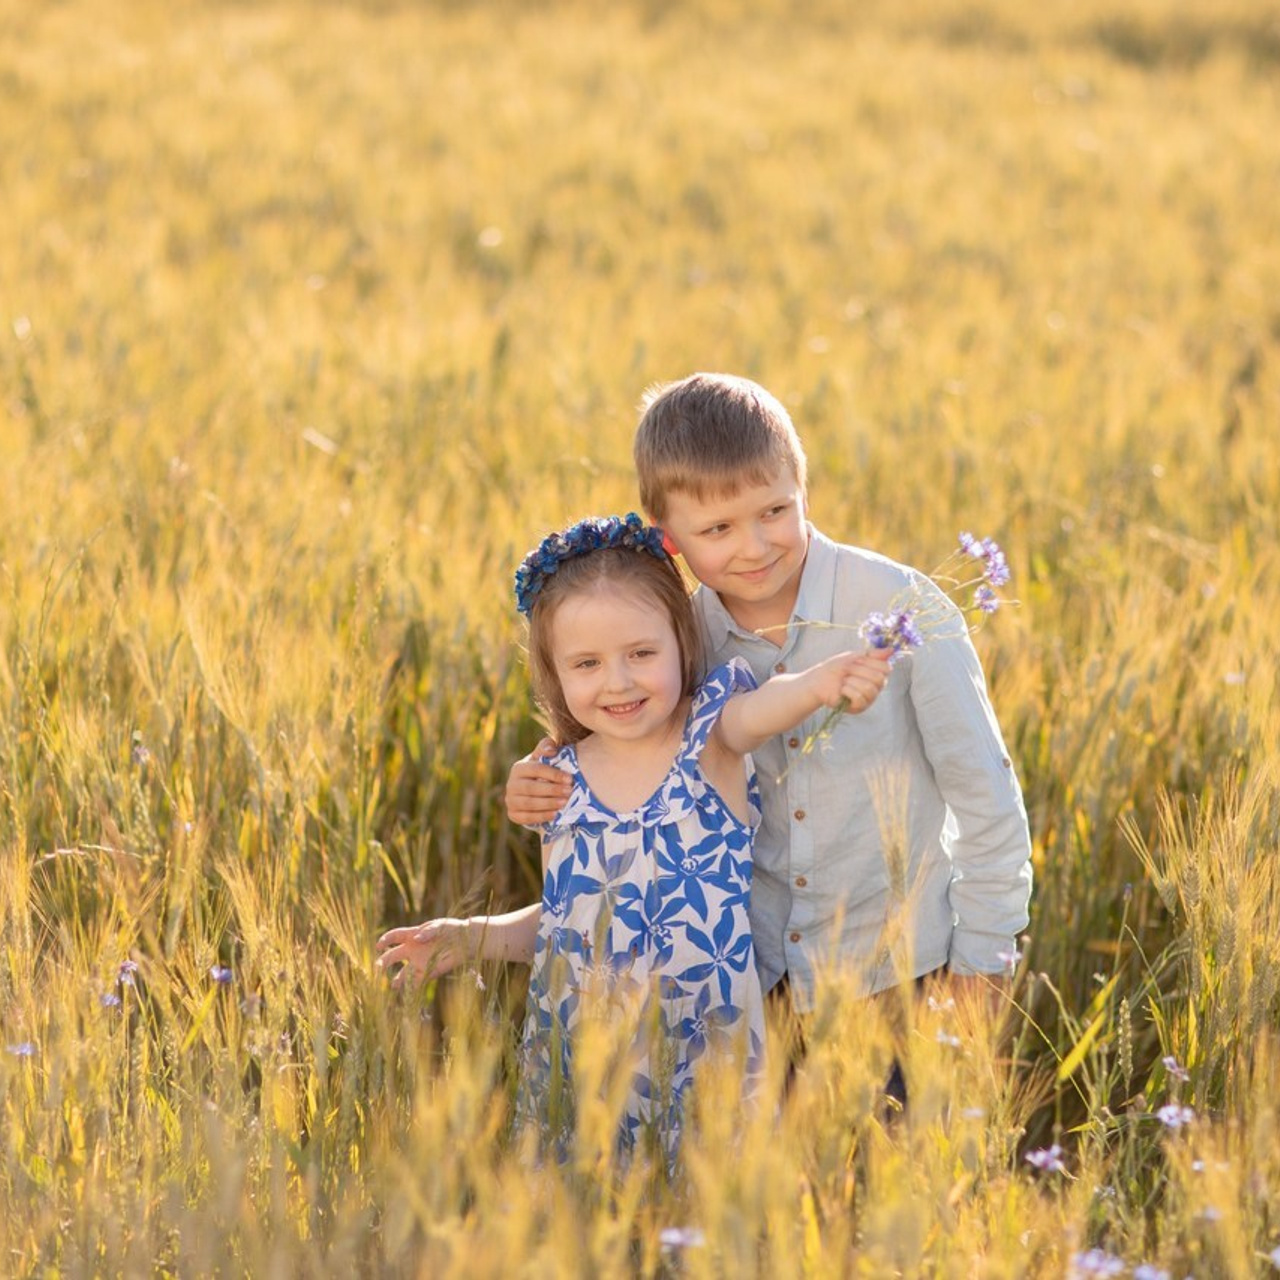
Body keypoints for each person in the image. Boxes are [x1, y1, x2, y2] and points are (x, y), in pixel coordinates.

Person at [506, 375, 1033, 1092]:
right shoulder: (670, 645)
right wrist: (541, 773)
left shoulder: (899, 609)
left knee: (898, 1190)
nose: (754, 546)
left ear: (801, 487)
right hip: (749, 990)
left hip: (900, 976)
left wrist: (983, 961)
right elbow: (621, 762)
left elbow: (987, 798)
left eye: (775, 511)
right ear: (668, 537)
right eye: (717, 530)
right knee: (782, 1197)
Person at [376, 512, 890, 1164]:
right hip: (584, 1072)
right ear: (554, 672)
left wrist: (819, 684)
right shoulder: (559, 782)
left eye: (641, 655)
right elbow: (569, 923)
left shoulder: (711, 739)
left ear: (682, 640)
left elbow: (766, 707)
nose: (617, 681)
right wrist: (468, 936)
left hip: (705, 1066)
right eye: (586, 663)